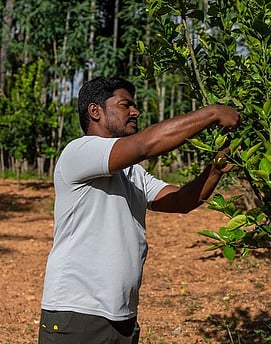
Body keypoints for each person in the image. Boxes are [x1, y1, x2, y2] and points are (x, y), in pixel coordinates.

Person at [38, 77, 241, 344]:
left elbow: (180, 201)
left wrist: (214, 171)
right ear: (95, 111)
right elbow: (147, 144)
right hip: (78, 313)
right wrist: (211, 113)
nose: (135, 112)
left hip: (123, 316)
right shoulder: (80, 151)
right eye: (125, 105)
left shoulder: (132, 172)